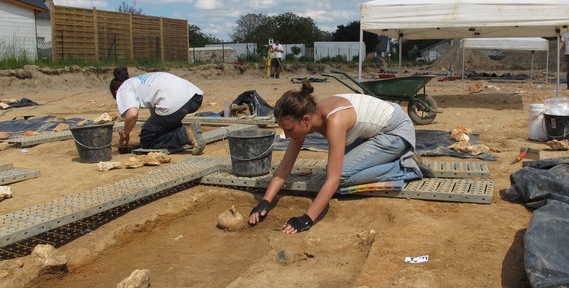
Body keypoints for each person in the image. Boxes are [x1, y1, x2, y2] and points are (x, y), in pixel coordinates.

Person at [248, 82, 423, 234]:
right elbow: (286, 165)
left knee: (343, 174)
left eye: (289, 129)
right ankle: (388, 157)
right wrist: (265, 201)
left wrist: (307, 218)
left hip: (395, 132)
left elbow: (334, 179)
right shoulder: (307, 113)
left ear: (306, 121)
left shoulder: (335, 120)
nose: (286, 135)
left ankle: (405, 167)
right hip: (371, 133)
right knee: (338, 168)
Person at [109, 67, 206, 154]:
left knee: (146, 139)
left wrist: (126, 134)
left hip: (175, 102)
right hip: (195, 98)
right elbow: (157, 116)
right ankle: (180, 132)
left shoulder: (124, 88)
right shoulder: (140, 81)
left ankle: (185, 135)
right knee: (158, 127)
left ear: (116, 92)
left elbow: (132, 114)